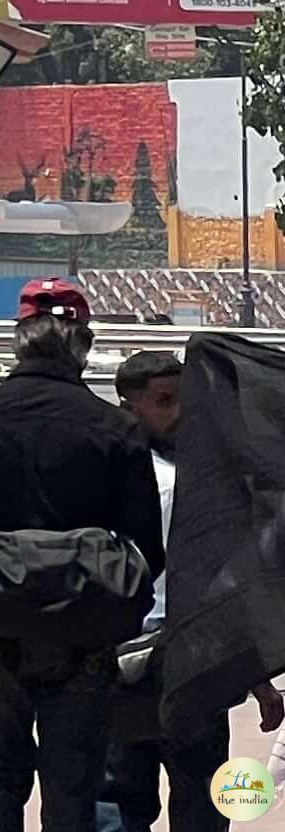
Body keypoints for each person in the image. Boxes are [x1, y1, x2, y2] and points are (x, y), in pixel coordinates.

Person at [0, 279, 162, 832]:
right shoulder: (114, 428)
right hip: (85, 634)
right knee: (75, 781)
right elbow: (147, 548)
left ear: (19, 339)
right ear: (85, 343)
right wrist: (112, 609)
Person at [106, 346, 284, 832]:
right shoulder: (120, 477)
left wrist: (256, 676)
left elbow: (226, 582)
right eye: (163, 401)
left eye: (183, 400)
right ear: (129, 405)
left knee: (199, 800)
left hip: (192, 656)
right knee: (128, 799)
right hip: (130, 659)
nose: (178, 414)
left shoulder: (202, 481)